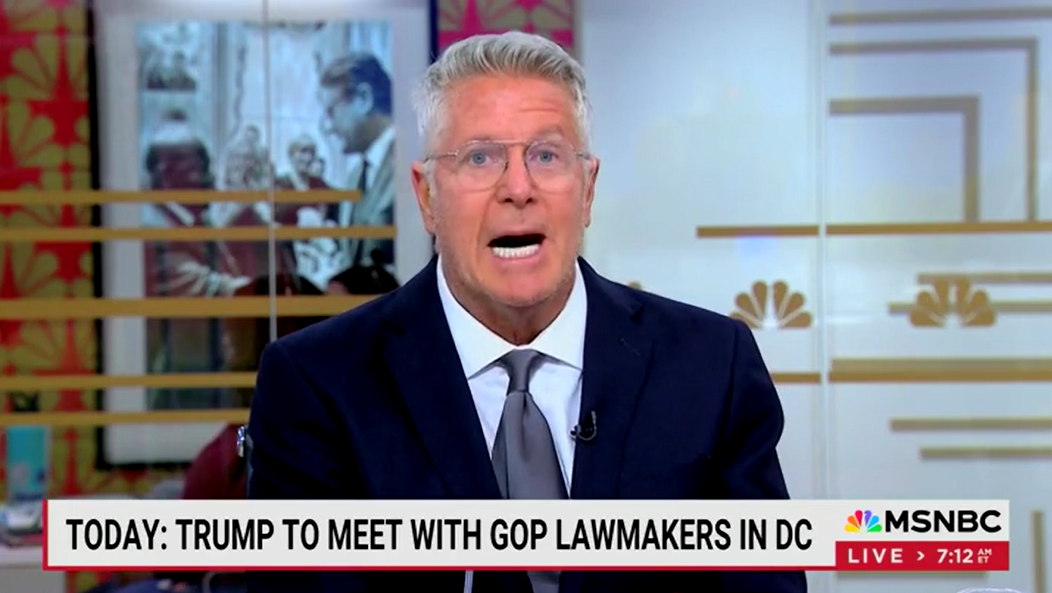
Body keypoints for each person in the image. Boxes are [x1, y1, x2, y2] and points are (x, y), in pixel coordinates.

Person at [246, 32, 806, 593]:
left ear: (587, 190)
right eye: (480, 157)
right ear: (427, 197)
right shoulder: (318, 384)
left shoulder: (711, 367)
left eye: (546, 155)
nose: (518, 188)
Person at [317, 52, 395, 269]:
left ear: (363, 99)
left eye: (331, 112)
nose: (328, 127)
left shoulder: (415, 164)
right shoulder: (355, 178)